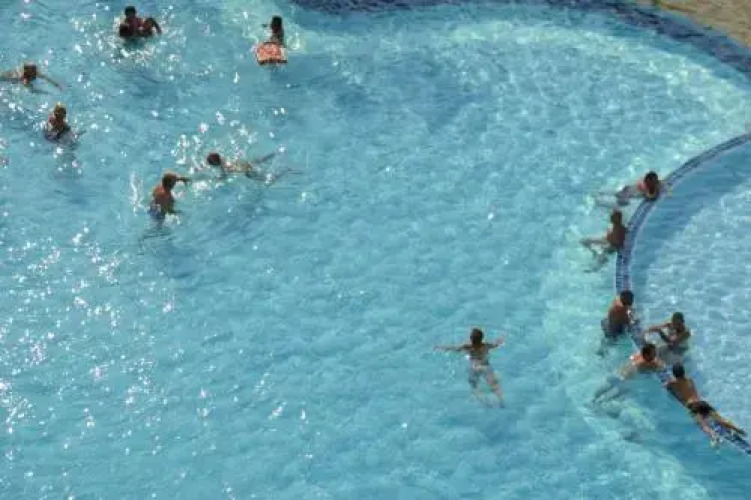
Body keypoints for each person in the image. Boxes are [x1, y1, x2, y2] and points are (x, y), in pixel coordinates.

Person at [665, 363, 745, 444]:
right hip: (702, 402)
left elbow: (667, 386)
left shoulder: (674, 382)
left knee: (703, 425)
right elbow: (696, 393)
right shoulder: (690, 380)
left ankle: (714, 437)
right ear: (684, 372)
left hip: (692, 406)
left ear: (674, 374)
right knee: (720, 419)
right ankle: (736, 428)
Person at [435, 328, 505, 406]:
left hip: (475, 367)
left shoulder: (468, 346)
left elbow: (455, 349)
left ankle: (485, 402)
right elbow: (496, 345)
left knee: (474, 387)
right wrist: (500, 340)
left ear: (471, 339)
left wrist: (441, 347)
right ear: (482, 338)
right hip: (485, 366)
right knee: (494, 385)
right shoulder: (486, 345)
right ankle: (501, 401)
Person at [593, 342, 663, 402]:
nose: (655, 355)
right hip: (625, 380)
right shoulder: (648, 363)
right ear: (647, 355)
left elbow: (631, 358)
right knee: (623, 392)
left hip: (618, 372)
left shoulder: (637, 354)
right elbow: (661, 368)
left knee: (607, 387)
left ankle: (593, 399)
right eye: (654, 353)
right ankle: (602, 402)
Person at [205, 151, 281, 184]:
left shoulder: (223, 168)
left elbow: (223, 177)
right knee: (258, 161)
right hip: (244, 163)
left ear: (215, 165)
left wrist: (217, 179)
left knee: (265, 179)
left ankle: (278, 176)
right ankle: (273, 154)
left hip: (246, 171)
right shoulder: (224, 159)